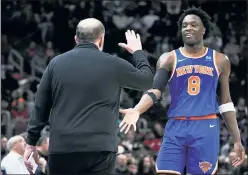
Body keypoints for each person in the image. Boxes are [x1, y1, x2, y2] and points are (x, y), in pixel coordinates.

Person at [119, 7, 246, 175]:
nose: (188, 28)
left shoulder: (220, 60)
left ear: (204, 30)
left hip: (205, 127)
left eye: (194, 25)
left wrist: (237, 140)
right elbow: (155, 91)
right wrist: (137, 110)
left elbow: (226, 102)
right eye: (185, 25)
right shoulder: (169, 58)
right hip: (176, 126)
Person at [24, 18, 153, 175]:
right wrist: (137, 52)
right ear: (101, 39)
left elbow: (41, 106)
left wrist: (31, 142)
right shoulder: (113, 64)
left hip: (62, 147)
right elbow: (147, 81)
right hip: (100, 149)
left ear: (76, 39)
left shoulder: (55, 64)